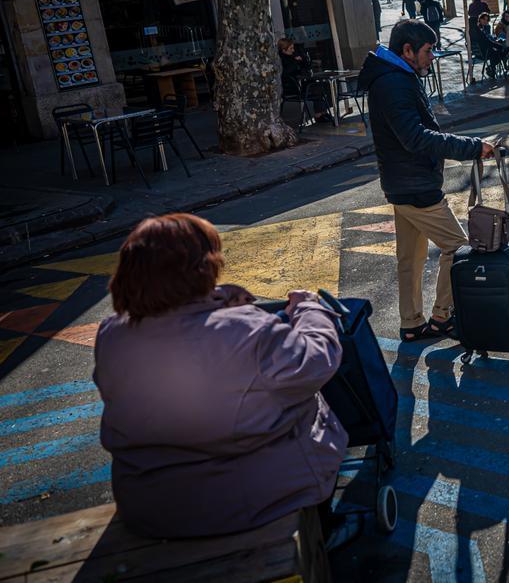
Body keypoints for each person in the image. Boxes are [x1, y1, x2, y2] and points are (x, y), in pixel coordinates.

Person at [93, 213, 357, 548]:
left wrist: (216, 299)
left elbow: (179, 326)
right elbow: (318, 360)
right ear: (204, 268)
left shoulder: (112, 335)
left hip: (148, 506)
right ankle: (325, 528)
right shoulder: (247, 330)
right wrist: (310, 309)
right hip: (247, 502)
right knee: (306, 402)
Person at [357, 20, 495, 341]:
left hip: (402, 184)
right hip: (415, 186)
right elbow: (415, 137)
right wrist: (472, 147)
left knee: (410, 259)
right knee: (457, 249)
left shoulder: (394, 76)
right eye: (428, 51)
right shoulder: (394, 83)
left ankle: (411, 323)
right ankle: (442, 316)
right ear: (407, 51)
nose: (432, 57)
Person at [278, 37, 331, 123]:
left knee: (319, 87)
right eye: (290, 48)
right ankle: (319, 114)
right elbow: (288, 72)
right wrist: (296, 62)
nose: (293, 50)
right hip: (292, 87)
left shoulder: (293, 56)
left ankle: (322, 113)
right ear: (284, 50)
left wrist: (302, 59)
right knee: (316, 89)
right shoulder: (283, 60)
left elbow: (306, 66)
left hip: (301, 83)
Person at [470, 12, 505, 81]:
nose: (485, 21)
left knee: (498, 51)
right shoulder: (478, 30)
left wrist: (496, 43)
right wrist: (499, 46)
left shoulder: (480, 29)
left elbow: (488, 40)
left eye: (487, 20)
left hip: (480, 51)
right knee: (501, 51)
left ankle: (492, 68)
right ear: (479, 19)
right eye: (483, 19)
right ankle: (491, 68)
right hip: (483, 53)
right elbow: (487, 42)